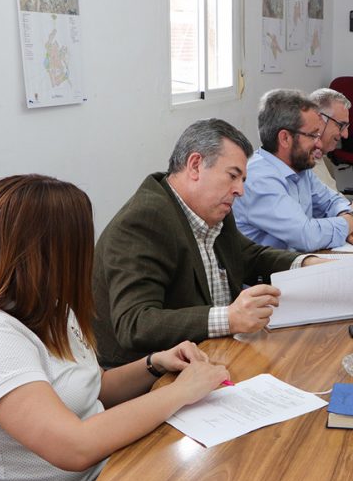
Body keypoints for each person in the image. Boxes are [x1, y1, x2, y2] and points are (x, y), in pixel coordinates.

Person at [0, 175, 229, 481]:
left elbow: (96, 388)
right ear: (56, 251)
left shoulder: (51, 306)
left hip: (110, 475)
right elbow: (74, 446)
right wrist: (182, 391)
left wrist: (154, 364)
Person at [93, 118, 323, 368]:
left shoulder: (212, 208)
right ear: (195, 166)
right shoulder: (144, 221)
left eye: (242, 180)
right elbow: (135, 323)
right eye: (233, 176)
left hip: (212, 354)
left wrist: (307, 264)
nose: (240, 190)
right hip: (147, 374)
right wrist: (229, 318)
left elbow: (248, 256)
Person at [234, 89, 353, 252]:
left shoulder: (299, 167)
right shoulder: (258, 178)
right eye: (312, 135)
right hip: (271, 275)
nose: (319, 144)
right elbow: (307, 235)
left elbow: (331, 201)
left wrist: (346, 225)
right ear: (285, 138)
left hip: (298, 264)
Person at [308, 88, 351, 191]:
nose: (346, 135)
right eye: (341, 125)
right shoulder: (300, 162)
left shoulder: (318, 154)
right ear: (319, 120)